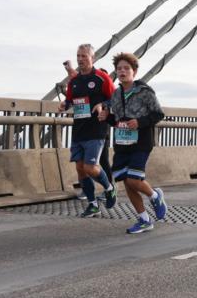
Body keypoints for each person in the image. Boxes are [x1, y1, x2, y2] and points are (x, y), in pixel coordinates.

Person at [99, 52, 167, 234]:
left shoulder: (145, 92)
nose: (122, 71)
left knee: (133, 179)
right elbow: (117, 121)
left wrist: (139, 122)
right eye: (119, 68)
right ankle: (144, 219)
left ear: (134, 72)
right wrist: (107, 117)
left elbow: (158, 114)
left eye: (126, 68)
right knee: (127, 183)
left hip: (141, 142)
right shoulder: (116, 94)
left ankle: (155, 195)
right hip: (122, 143)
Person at [61, 43, 117, 217]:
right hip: (79, 129)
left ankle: (109, 189)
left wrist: (103, 104)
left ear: (93, 58)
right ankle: (93, 204)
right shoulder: (75, 81)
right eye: (78, 56)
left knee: (90, 167)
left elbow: (114, 98)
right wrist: (65, 104)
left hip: (96, 129)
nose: (80, 59)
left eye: (84, 56)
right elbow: (70, 100)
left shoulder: (101, 78)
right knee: (80, 168)